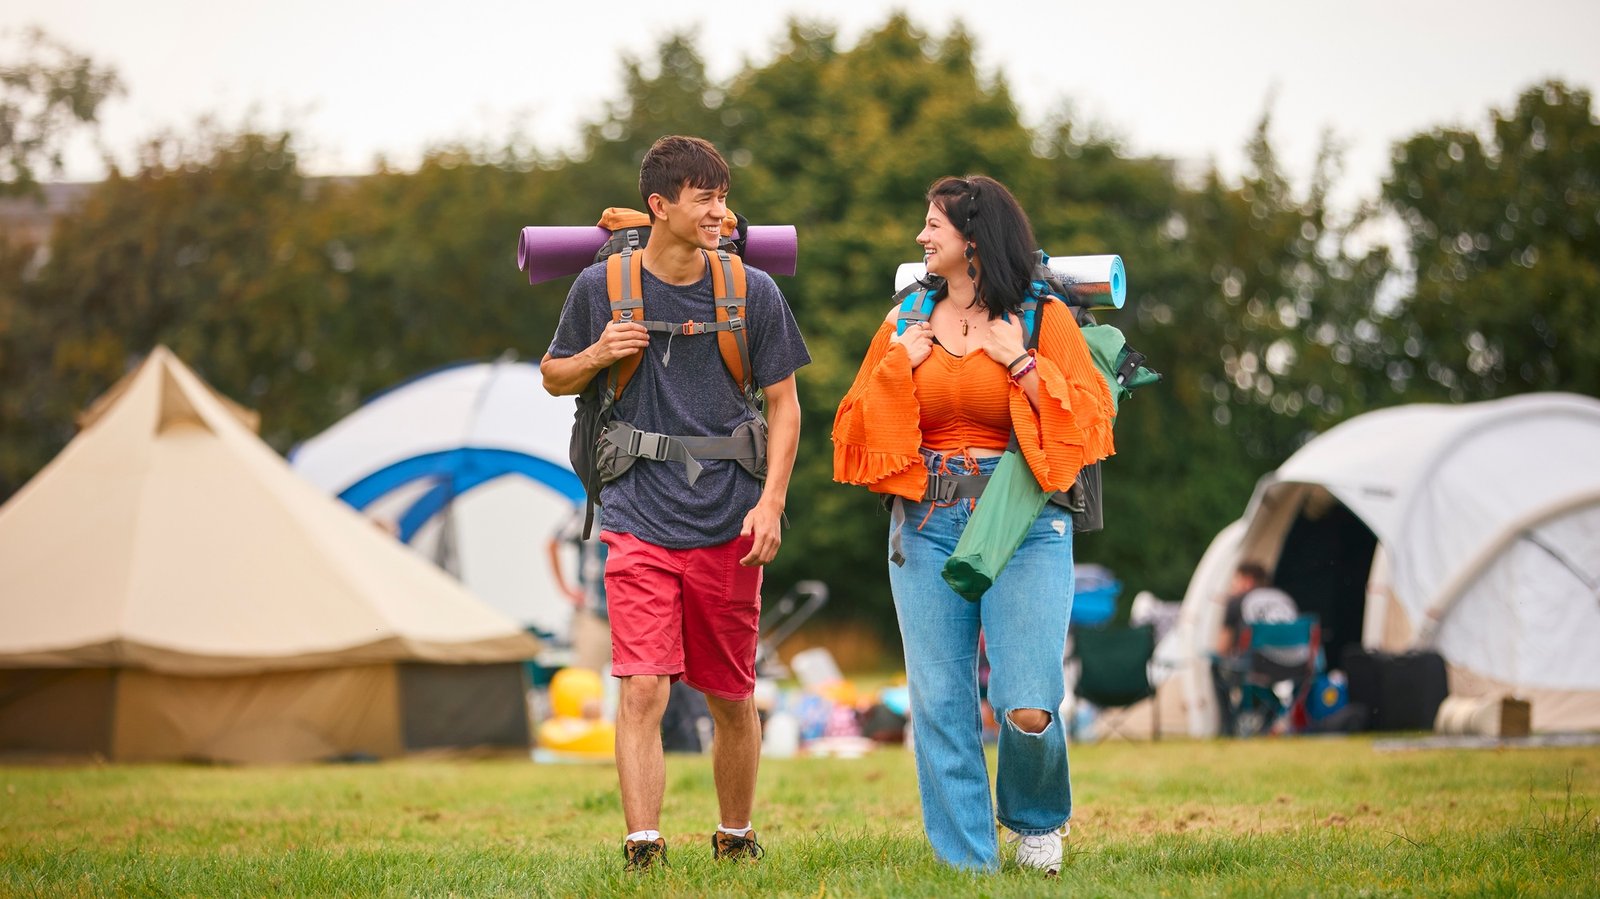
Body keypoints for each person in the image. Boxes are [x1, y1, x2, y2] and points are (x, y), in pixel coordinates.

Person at [832, 175, 1115, 875]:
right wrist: (904, 364)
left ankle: (1037, 820)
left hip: (1022, 521)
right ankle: (969, 866)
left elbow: (1091, 415)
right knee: (940, 700)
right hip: (924, 519)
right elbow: (853, 419)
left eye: (934, 225)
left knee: (1027, 701)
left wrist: (1016, 360)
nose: (922, 237)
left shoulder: (1042, 317)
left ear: (974, 238)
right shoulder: (907, 318)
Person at [541, 135, 810, 872]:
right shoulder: (601, 288)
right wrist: (599, 353)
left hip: (730, 516)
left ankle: (734, 832)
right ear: (660, 205)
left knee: (731, 696)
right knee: (643, 687)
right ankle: (643, 848)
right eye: (704, 198)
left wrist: (772, 502)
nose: (721, 211)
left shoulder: (753, 289)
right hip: (637, 514)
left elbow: (785, 406)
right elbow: (554, 374)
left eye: (723, 196)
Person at [1211, 561, 1305, 734]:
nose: (1233, 587)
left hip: (1261, 664)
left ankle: (1228, 727)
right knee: (1252, 673)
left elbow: (1222, 649)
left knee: (1216, 665)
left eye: (1235, 582)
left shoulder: (1238, 601)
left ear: (1247, 581)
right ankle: (1273, 714)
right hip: (1300, 664)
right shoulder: (1283, 598)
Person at [548, 507, 611, 673]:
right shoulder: (586, 512)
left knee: (633, 686)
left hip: (630, 614)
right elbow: (553, 543)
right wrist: (565, 589)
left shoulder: (636, 508)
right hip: (593, 615)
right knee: (586, 681)